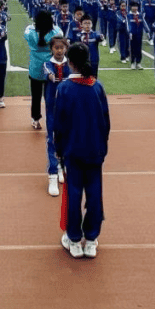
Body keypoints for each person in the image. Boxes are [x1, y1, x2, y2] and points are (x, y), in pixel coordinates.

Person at [52, 42, 110, 260]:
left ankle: (74, 239)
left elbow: (59, 124)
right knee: (95, 195)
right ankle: (92, 238)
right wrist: (102, 147)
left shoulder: (64, 88)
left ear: (70, 62)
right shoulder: (97, 87)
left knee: (74, 195)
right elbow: (106, 122)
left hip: (73, 151)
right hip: (95, 150)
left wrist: (59, 151)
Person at [24, 10, 63, 130]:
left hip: (35, 66)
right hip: (51, 67)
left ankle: (35, 119)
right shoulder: (56, 33)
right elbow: (60, 32)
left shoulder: (30, 32)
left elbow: (27, 30)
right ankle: (52, 119)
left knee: (36, 96)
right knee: (50, 96)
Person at [43, 36, 72, 196]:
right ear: (52, 49)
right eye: (56, 48)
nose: (59, 51)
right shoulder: (48, 64)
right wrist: (51, 76)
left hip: (68, 108)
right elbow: (47, 71)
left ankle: (62, 166)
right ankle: (52, 174)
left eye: (62, 48)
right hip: (53, 108)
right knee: (52, 139)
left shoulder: (71, 65)